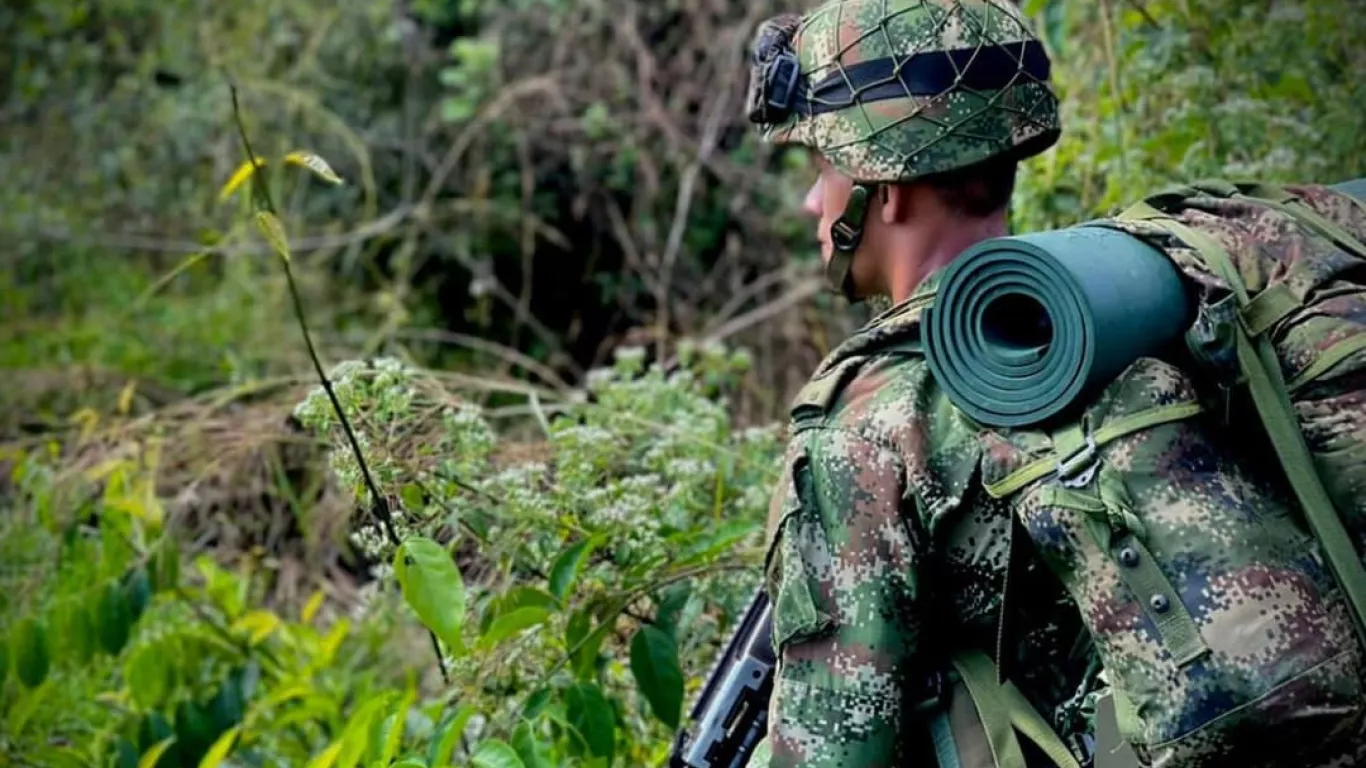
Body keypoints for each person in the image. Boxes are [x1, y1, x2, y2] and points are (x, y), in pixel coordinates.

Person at [744, 1, 1109, 765]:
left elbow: (836, 746)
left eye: (822, 168)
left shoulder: (874, 422)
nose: (814, 201)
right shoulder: (1111, 313)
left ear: (886, 188)